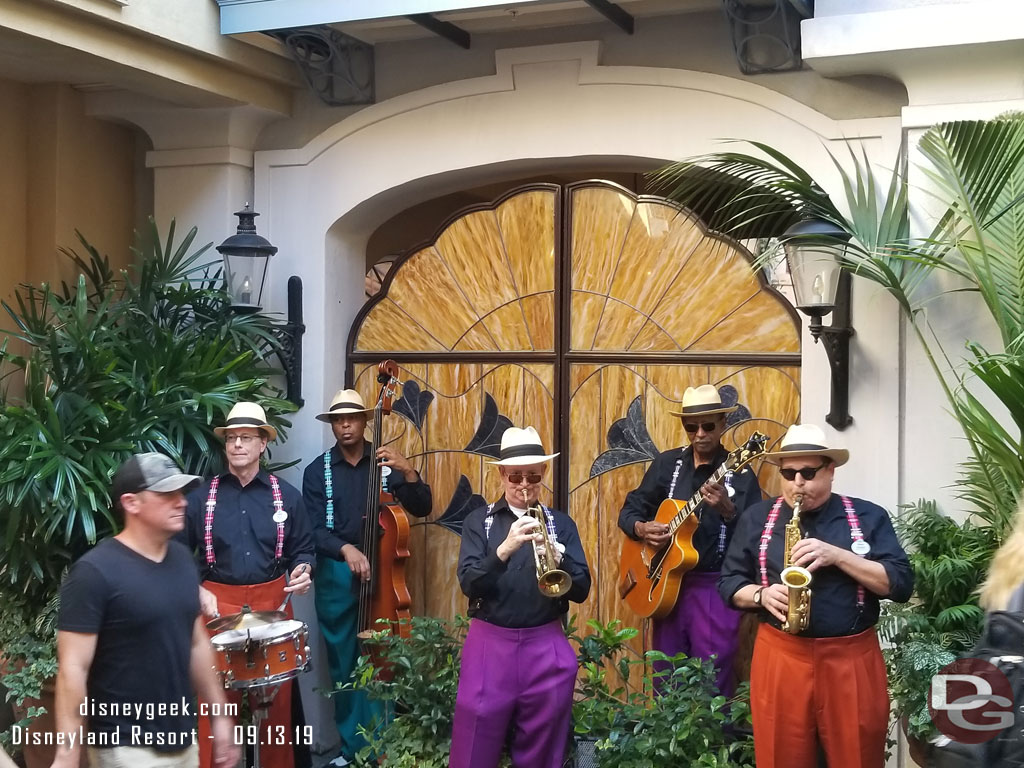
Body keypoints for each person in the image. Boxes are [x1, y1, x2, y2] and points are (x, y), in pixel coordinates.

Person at [718, 423, 913, 768]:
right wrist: (762, 596)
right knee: (781, 757)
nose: (797, 483)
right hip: (781, 655)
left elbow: (898, 584)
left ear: (830, 470)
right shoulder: (756, 517)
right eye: (788, 473)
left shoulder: (868, 515)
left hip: (851, 658)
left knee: (857, 758)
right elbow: (729, 582)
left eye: (808, 473)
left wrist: (839, 556)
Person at [50, 453, 239, 768]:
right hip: (126, 748)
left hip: (183, 741)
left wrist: (220, 717)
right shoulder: (94, 573)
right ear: (131, 503)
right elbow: (73, 670)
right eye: (167, 494)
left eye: (181, 493)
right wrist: (68, 754)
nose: (181, 502)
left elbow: (197, 643)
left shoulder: (181, 560)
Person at [301, 388, 433, 766]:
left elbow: (422, 507)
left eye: (352, 418)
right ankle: (351, 748)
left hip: (385, 578)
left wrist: (409, 471)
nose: (345, 425)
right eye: (338, 420)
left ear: (364, 421)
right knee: (343, 662)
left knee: (382, 661)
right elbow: (312, 529)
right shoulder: (317, 471)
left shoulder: (387, 465)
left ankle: (384, 747)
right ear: (332, 426)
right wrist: (346, 549)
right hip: (338, 576)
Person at [181, 401, 315, 768]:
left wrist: (303, 569)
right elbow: (176, 551)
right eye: (232, 438)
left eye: (246, 437)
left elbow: (304, 547)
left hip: (272, 605)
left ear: (262, 445)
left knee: (275, 706)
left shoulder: (287, 497)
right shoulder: (200, 498)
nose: (238, 444)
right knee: (213, 703)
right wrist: (195, 586)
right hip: (216, 606)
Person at [450, 426, 591, 768]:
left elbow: (583, 588)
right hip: (490, 641)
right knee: (475, 732)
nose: (524, 485)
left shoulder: (560, 523)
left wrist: (563, 561)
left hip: (545, 639)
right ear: (501, 474)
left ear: (543, 474)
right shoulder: (478, 522)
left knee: (544, 741)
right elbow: (470, 582)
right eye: (515, 477)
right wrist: (504, 549)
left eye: (532, 476)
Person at [617, 384, 761, 695]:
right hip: (664, 583)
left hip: (714, 584)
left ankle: (713, 741)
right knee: (665, 672)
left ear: (722, 425)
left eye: (708, 426)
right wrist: (641, 528)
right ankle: (667, 741)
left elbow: (755, 536)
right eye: (691, 426)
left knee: (714, 672)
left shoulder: (741, 474)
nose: (699, 434)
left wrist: (727, 509)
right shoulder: (667, 465)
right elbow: (630, 509)